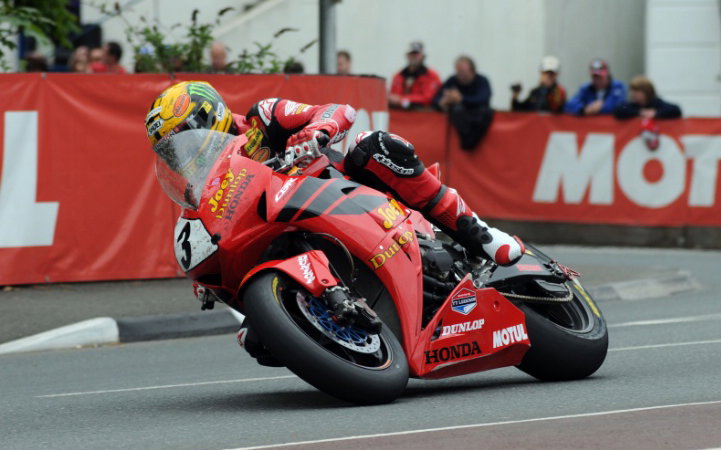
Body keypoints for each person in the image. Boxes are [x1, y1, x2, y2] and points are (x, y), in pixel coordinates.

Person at [144, 81, 525, 365]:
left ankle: (481, 235)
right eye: (170, 150)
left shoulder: (264, 116)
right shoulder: (201, 187)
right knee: (256, 339)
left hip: (344, 191)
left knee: (375, 145)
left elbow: (336, 110)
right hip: (284, 227)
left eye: (183, 138)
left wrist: (317, 132)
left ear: (209, 116)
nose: (181, 155)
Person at [388, 41, 441, 109]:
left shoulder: (431, 76)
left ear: (423, 56)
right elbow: (393, 96)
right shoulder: (398, 76)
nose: (414, 56)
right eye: (411, 54)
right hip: (399, 112)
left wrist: (403, 100)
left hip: (421, 113)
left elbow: (428, 98)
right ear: (407, 55)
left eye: (416, 54)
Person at [613, 76, 682, 119]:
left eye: (637, 91)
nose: (633, 94)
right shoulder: (632, 105)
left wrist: (656, 113)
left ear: (646, 91)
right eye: (632, 91)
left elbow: (676, 110)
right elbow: (618, 110)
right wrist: (640, 112)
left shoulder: (656, 103)